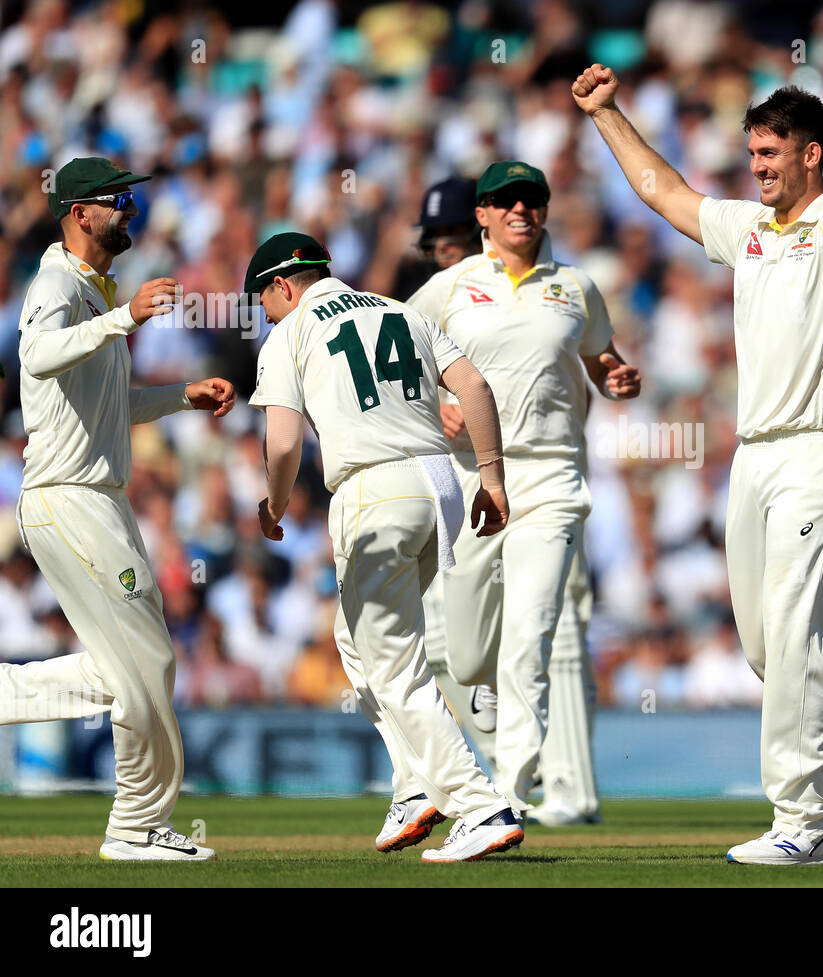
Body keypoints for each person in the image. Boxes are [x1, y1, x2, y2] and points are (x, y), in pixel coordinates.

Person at [572, 50, 823, 866]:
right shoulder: (748, 230)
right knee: (766, 652)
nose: (755, 168)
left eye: (768, 154)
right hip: (752, 460)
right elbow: (662, 192)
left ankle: (800, 821)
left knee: (796, 639)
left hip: (819, 451)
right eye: (750, 154)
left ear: (810, 154)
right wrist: (605, 114)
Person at [246, 231, 524, 863]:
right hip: (441, 487)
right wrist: (492, 477)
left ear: (282, 285)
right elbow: (474, 387)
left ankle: (480, 806)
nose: (265, 313)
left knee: (392, 659)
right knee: (356, 641)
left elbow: (284, 443)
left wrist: (275, 505)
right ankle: (415, 784)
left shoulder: (289, 334)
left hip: (374, 492)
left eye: (263, 300)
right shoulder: (403, 311)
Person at [0, 157, 236, 860]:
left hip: (93, 497)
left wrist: (181, 396)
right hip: (69, 499)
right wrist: (128, 317)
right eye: (117, 202)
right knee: (151, 660)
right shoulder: (57, 282)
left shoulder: (94, 293)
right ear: (79, 213)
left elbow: (112, 407)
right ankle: (136, 827)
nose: (129, 211)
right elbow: (35, 355)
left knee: (126, 670)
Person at [407, 160, 640, 816]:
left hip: (551, 477)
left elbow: (599, 359)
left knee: (532, 635)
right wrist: (434, 404)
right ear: (481, 214)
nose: (520, 211)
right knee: (467, 649)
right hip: (473, 477)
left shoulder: (576, 286)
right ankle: (500, 743)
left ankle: (504, 798)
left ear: (543, 210)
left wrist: (616, 376)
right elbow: (399, 367)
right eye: (504, 201)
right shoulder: (447, 289)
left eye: (530, 200)